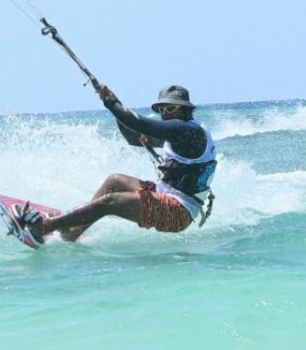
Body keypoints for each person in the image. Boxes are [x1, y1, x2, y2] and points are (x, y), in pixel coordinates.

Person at [12, 84, 217, 247]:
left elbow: (141, 124)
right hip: (167, 197)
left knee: (111, 201)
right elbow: (134, 137)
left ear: (186, 111)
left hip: (178, 212)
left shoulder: (189, 132)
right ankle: (72, 232)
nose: (166, 114)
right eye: (162, 110)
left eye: (171, 108)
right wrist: (114, 106)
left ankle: (45, 227)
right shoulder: (177, 135)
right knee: (115, 181)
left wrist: (112, 102)